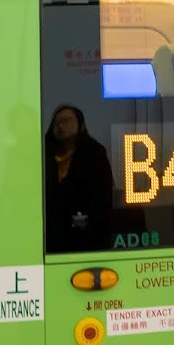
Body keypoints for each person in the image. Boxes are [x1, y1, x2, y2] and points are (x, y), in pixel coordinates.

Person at [44, 105, 112, 251]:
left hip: (87, 237)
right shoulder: (44, 155)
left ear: (80, 124)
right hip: (52, 238)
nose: (61, 126)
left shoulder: (94, 153)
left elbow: (102, 197)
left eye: (67, 120)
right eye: (57, 123)